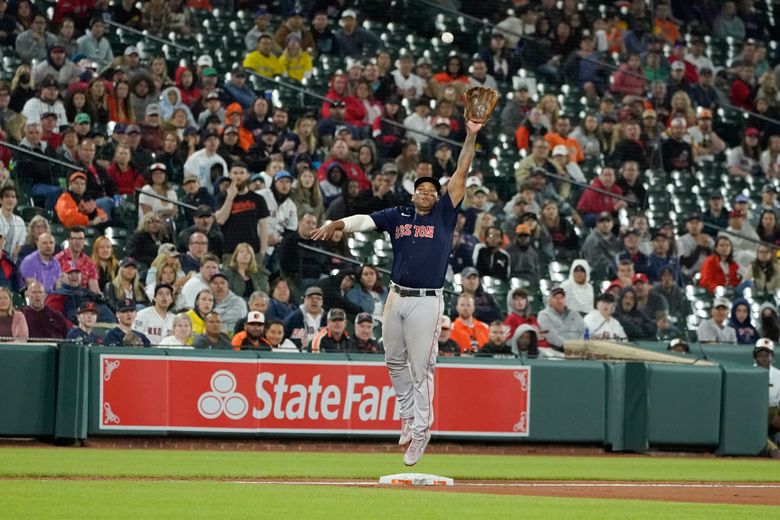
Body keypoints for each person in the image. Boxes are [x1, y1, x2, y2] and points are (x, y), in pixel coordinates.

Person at [311, 119, 484, 466]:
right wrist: (339, 224)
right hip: (396, 296)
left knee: (421, 368)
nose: (426, 192)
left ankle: (422, 431)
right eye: (421, 188)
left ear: (438, 196)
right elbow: (366, 220)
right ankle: (407, 417)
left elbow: (462, 172)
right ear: (412, 193)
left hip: (426, 300)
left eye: (432, 190)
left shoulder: (444, 213)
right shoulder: (399, 213)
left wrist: (471, 134)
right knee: (392, 360)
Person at [215, 161, 269, 257]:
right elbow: (220, 220)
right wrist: (230, 197)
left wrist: (262, 252)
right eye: (235, 173)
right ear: (229, 175)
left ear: (248, 175)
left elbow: (264, 227)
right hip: (230, 252)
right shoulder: (222, 197)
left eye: (242, 173)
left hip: (252, 252)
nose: (238, 176)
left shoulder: (258, 199)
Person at [753, 338, 780, 457]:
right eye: (760, 355)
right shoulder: (747, 373)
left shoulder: (778, 376)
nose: (763, 358)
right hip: (754, 414)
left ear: (772, 357)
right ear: (755, 357)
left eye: (766, 355)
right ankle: (772, 448)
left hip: (774, 413)